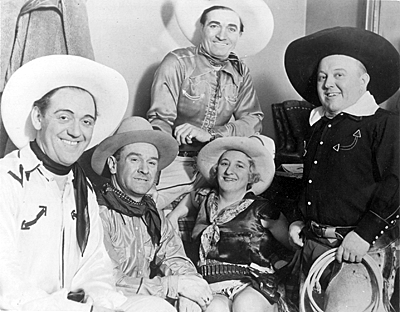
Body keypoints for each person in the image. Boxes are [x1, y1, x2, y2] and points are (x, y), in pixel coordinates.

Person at [0, 55, 175, 312]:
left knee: (157, 308)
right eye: (64, 117)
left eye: (86, 121)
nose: (76, 132)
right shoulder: (8, 178)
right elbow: (5, 277)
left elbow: (95, 268)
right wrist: (71, 307)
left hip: (77, 306)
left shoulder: (82, 189)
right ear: (38, 117)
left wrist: (98, 303)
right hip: (23, 308)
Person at [284, 27, 399, 311]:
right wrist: (300, 218)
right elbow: (312, 181)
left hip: (360, 250)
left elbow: (397, 184)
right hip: (313, 246)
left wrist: (364, 234)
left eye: (338, 75)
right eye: (323, 77)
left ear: (363, 81)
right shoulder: (317, 126)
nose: (328, 84)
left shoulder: (383, 124)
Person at [146, 0, 274, 210]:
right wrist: (155, 172)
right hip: (178, 160)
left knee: (264, 145)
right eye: (214, 25)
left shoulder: (240, 71)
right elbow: (160, 121)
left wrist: (213, 135)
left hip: (216, 160)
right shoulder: (177, 62)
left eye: (231, 28)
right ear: (202, 29)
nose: (222, 35)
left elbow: (253, 120)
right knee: (151, 208)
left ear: (239, 34)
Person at [90, 116, 213, 312]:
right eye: (134, 159)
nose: (144, 170)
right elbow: (109, 282)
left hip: (144, 299)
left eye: (152, 163)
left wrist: (189, 287)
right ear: (113, 164)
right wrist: (174, 286)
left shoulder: (152, 212)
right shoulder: (97, 211)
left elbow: (175, 257)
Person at [168, 135, 295, 312]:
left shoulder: (262, 209)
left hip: (253, 284)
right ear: (216, 169)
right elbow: (185, 205)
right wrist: (173, 217)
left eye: (239, 166)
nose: (229, 171)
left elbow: (293, 243)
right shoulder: (204, 199)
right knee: (213, 309)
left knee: (245, 305)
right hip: (211, 285)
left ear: (251, 175)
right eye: (224, 164)